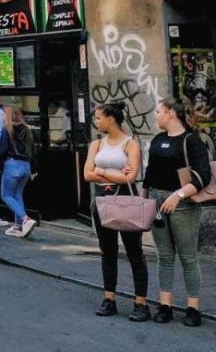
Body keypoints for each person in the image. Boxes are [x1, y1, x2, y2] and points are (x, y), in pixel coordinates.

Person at [145, 97, 212, 327]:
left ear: (171, 113)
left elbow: (203, 175)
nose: (155, 116)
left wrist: (178, 195)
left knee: (188, 257)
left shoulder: (191, 141)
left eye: (158, 112)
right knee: (164, 256)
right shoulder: (158, 140)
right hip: (157, 201)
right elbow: (149, 173)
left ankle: (193, 308)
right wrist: (144, 201)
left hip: (183, 204)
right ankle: (165, 305)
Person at [84, 102, 149, 321]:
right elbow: (87, 174)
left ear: (111, 118)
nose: (96, 121)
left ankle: (141, 302)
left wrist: (100, 170)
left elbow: (130, 178)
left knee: (134, 252)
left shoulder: (130, 144)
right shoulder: (96, 144)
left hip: (125, 200)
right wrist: (114, 174)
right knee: (107, 250)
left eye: (99, 117)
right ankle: (109, 298)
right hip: (101, 200)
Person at [0, 106, 38, 238]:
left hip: (12, 165)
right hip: (25, 166)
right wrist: (33, 169)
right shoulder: (27, 129)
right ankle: (18, 226)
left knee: (6, 196)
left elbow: (2, 149)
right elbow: (33, 150)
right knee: (17, 195)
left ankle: (25, 219)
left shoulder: (7, 129)